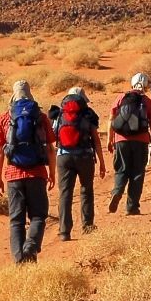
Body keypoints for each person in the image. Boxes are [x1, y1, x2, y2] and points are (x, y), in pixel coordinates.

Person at [0, 81, 54, 263]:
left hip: (13, 174)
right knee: (38, 216)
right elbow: (51, 148)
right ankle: (31, 247)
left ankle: (19, 260)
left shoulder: (5, 118)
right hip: (37, 173)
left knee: (16, 220)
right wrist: (52, 173)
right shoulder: (41, 117)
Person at [49, 87, 103, 240]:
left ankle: (64, 231)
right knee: (86, 190)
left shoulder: (59, 114)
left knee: (65, 193)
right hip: (85, 156)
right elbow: (96, 140)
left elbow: (53, 137)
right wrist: (102, 162)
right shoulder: (88, 114)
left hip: (63, 157)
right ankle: (87, 226)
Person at [106, 73, 151, 215]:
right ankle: (132, 206)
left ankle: (117, 191)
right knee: (137, 173)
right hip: (141, 141)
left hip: (121, 140)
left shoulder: (121, 98)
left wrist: (109, 139)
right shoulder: (147, 101)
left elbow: (111, 119)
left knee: (121, 169)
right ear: (146, 85)